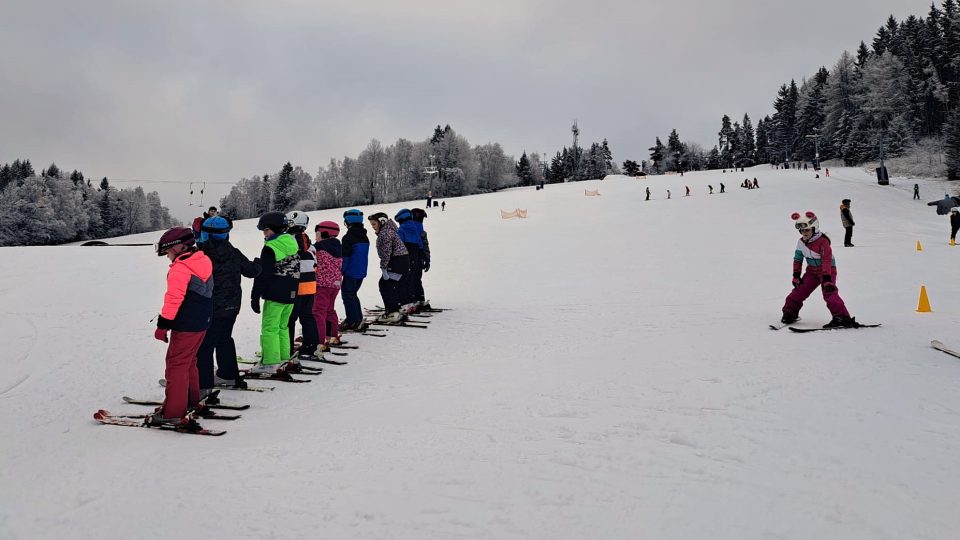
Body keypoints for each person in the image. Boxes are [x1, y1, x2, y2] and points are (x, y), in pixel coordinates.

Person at [151, 227, 213, 426]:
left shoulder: (181, 268)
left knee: (176, 365)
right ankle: (190, 400)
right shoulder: (202, 259)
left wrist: (162, 326)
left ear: (178, 248)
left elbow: (174, 299)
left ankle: (173, 412)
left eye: (167, 252)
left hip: (186, 324)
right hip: (202, 322)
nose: (167, 256)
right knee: (188, 361)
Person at [196, 216, 260, 397]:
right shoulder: (233, 252)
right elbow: (252, 271)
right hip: (232, 305)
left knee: (205, 345)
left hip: (210, 306)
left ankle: (203, 385)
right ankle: (228, 374)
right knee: (224, 338)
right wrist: (259, 263)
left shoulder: (201, 255)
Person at [781, 211, 857, 328]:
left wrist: (827, 279)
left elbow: (826, 260)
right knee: (798, 291)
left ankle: (841, 317)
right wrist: (796, 276)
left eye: (807, 230)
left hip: (827, 270)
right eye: (802, 231)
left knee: (829, 292)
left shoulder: (823, 241)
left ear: (814, 229)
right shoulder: (801, 243)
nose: (804, 233)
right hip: (811, 271)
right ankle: (790, 313)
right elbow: (798, 259)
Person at [250, 212, 300, 374]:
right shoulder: (292, 243)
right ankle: (284, 355)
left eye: (265, 231)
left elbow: (264, 275)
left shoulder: (270, 247)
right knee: (282, 326)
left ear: (273, 229)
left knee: (270, 328)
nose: (264, 235)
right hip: (291, 292)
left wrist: (255, 296)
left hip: (275, 293)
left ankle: (270, 361)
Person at [285, 211, 320, 365]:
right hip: (310, 286)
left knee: (289, 319)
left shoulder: (288, 241)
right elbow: (315, 265)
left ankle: (287, 348)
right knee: (307, 316)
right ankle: (311, 345)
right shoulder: (310, 244)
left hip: (295, 286)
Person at [369, 212, 409, 322]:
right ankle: (396, 309)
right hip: (401, 261)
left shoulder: (385, 233)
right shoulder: (389, 230)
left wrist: (383, 267)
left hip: (396, 261)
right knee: (389, 285)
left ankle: (393, 312)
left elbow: (386, 252)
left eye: (374, 224)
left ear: (382, 222)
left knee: (385, 285)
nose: (373, 227)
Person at [313, 220, 343, 349]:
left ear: (325, 233)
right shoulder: (338, 246)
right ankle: (332, 336)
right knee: (329, 310)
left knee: (318, 311)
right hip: (335, 284)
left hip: (322, 284)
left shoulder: (318, 247)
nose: (316, 236)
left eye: (318, 233)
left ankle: (319, 340)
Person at [339, 209, 369, 331]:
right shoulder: (364, 236)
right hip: (361, 272)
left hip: (351, 271)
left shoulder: (348, 237)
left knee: (347, 295)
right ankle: (357, 318)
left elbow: (345, 258)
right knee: (352, 294)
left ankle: (353, 321)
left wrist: (341, 271)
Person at [395, 208, 423, 312]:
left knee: (405, 278)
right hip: (416, 253)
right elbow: (420, 242)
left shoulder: (402, 229)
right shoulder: (415, 227)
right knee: (413, 277)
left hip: (406, 254)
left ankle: (407, 302)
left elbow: (399, 243)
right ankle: (416, 298)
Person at [411, 208, 431, 308]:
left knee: (412, 279)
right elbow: (425, 246)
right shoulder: (421, 229)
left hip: (413, 256)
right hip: (420, 257)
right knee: (417, 279)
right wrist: (427, 260)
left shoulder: (410, 228)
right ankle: (420, 298)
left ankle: (414, 299)